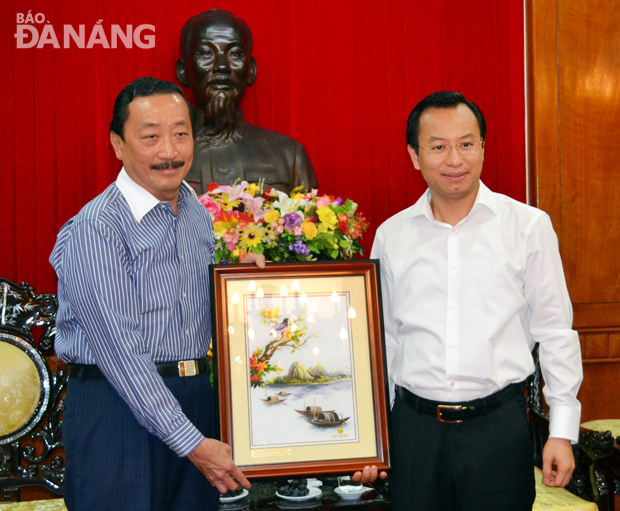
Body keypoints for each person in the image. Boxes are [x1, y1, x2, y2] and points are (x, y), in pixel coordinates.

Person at [356, 91, 583, 510]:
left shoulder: (528, 226)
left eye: (466, 143)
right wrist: (374, 438)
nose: (454, 159)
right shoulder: (392, 235)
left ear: (483, 147)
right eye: (438, 147)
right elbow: (383, 339)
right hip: (414, 431)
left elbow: (554, 330)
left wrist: (562, 430)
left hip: (498, 427)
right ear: (414, 155)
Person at [50, 77, 263, 510]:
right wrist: (193, 443)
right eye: (150, 137)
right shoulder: (98, 229)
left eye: (181, 134)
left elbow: (181, 302)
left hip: (192, 398)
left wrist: (234, 282)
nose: (169, 151)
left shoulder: (193, 211)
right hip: (117, 408)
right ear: (118, 144)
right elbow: (121, 354)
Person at [176, 9, 318, 195]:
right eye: (205, 54)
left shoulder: (289, 156)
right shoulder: (162, 156)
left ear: (251, 71)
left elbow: (310, 219)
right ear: (183, 71)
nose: (221, 66)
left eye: (234, 54)